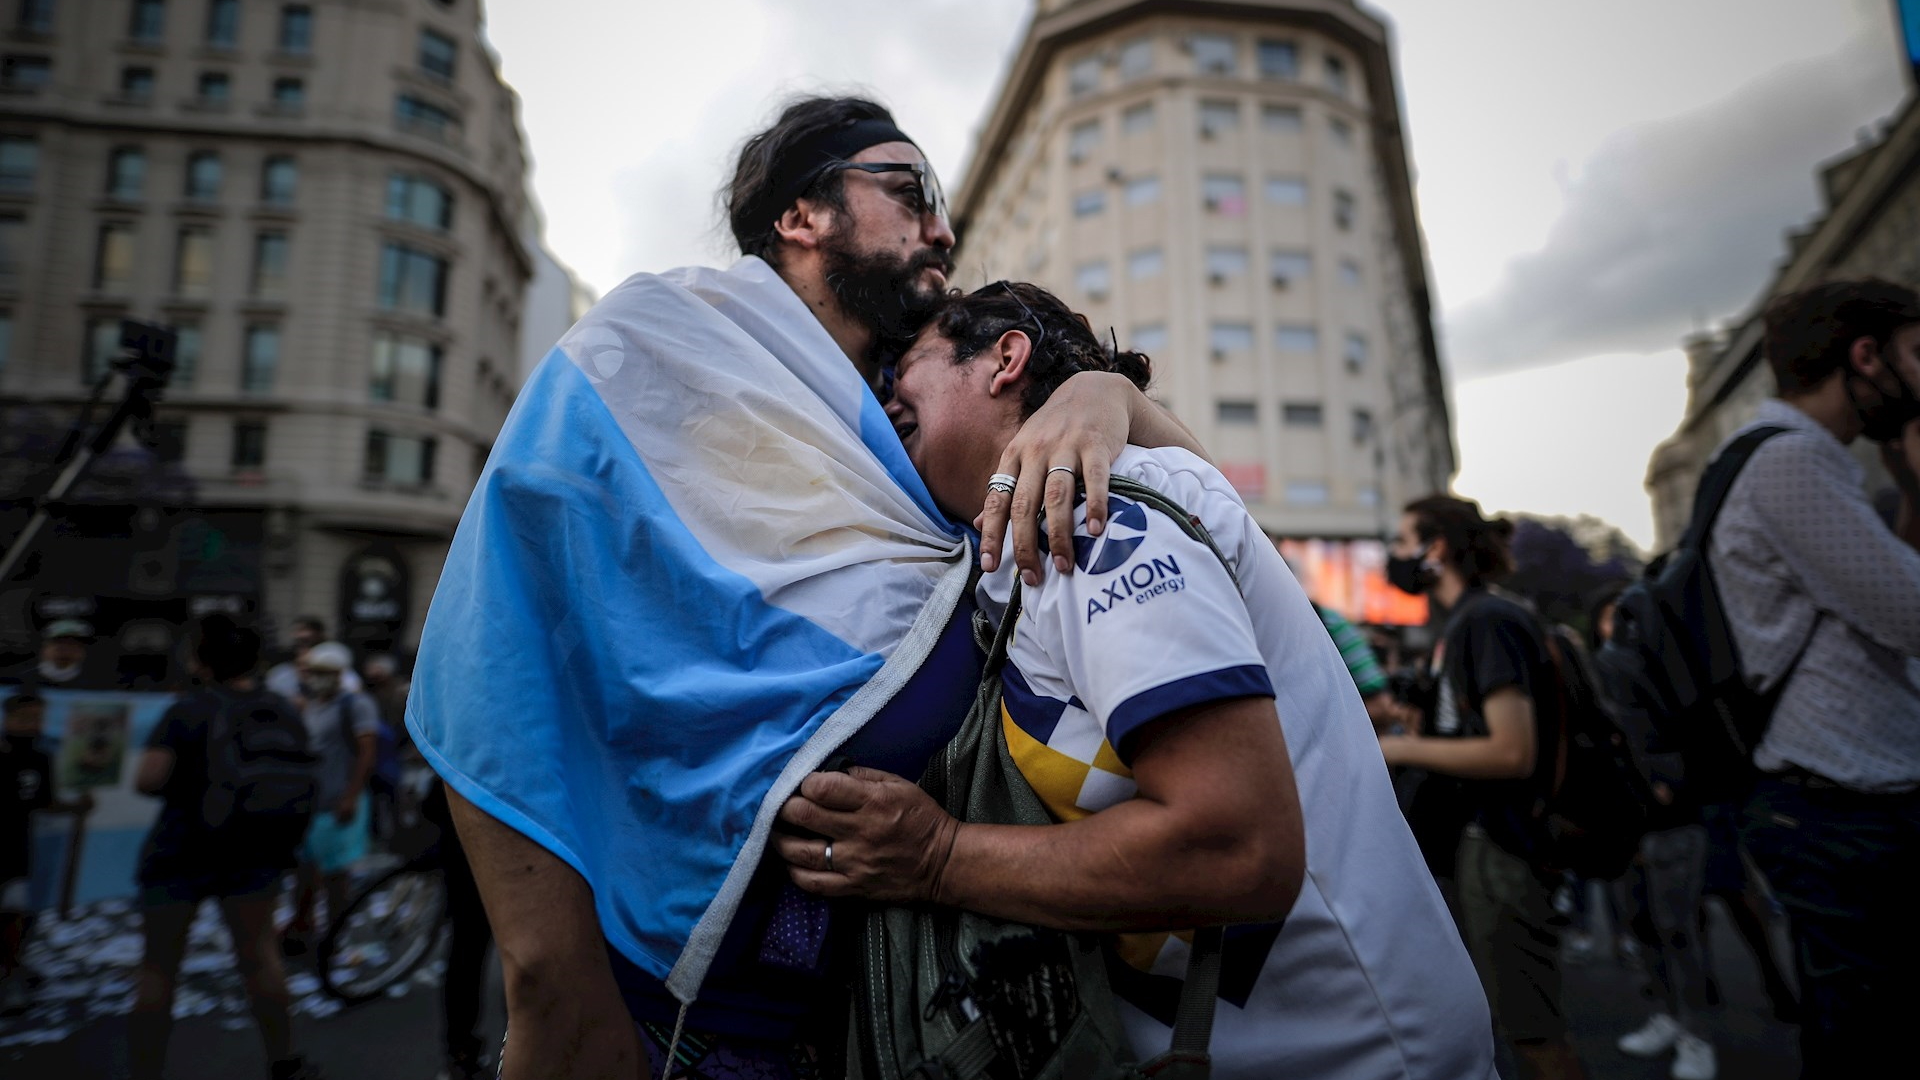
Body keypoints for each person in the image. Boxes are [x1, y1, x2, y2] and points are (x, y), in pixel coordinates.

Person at [412, 95, 1198, 1079]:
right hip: (662, 1021)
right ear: (802, 217)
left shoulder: (914, 440)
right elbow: (497, 647)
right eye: (910, 191)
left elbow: (1215, 521)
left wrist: (1108, 393)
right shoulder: (652, 352)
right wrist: (552, 988)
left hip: (878, 1025)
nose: (942, 228)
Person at [776, 282, 1495, 1078]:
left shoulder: (1097, 519)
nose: (884, 404)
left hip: (1362, 1055)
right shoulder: (1029, 541)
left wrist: (937, 857)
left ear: (1004, 360)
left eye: (902, 373)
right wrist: (1110, 393)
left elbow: (1238, 848)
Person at [1702, 279, 1920, 1077]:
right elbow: (1914, 616)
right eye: (1917, 354)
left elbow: (1888, 589)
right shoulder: (1791, 461)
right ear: (1865, 357)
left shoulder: (1792, 459)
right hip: (1841, 806)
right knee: (1872, 1039)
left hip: (1845, 798)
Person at [1377, 495, 1589, 1080]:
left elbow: (1511, 750)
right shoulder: (1466, 622)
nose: (1394, 557)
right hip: (1487, 846)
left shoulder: (1487, 621)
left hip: (1507, 847)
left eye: (1401, 542)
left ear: (1434, 549)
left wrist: (1398, 747)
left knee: (1532, 1030)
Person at [128, 615, 321, 1080]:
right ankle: (284, 1059)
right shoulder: (281, 707)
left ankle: (145, 1070)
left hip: (180, 852)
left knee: (159, 967)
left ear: (201, 661)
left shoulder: (187, 710)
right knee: (259, 956)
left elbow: (148, 779)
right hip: (254, 852)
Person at [282, 642, 379, 952]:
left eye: (322, 673)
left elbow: (367, 752)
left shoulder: (357, 705)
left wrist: (350, 796)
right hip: (312, 802)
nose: (314, 678)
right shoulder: (311, 705)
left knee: (336, 875)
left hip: (339, 802)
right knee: (305, 871)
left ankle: (335, 933)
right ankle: (303, 923)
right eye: (312, 672)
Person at [0, 693, 90, 1014]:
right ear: (8, 719)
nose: (32, 725)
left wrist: (76, 808)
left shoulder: (40, 757)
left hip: (18, 849)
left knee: (17, 914)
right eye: (25, 718)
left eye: (38, 718)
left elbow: (43, 802)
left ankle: (11, 972)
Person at [264, 617, 361, 703]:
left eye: (304, 630)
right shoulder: (282, 673)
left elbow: (354, 690)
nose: (299, 635)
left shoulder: (333, 656)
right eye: (296, 630)